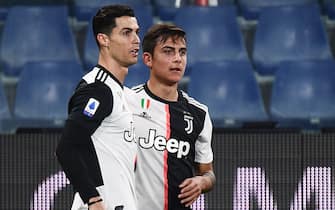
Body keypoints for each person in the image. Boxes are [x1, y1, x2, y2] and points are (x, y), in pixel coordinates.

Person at [56, 4, 140, 210]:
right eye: (126, 33)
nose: (136, 40)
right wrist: (93, 200)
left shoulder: (117, 91)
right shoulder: (98, 90)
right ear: (104, 40)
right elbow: (66, 147)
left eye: (137, 32)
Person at [125, 24, 215, 210]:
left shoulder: (199, 113)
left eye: (182, 52)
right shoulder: (125, 103)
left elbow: (208, 173)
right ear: (148, 59)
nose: (177, 59)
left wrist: (201, 183)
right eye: (168, 51)